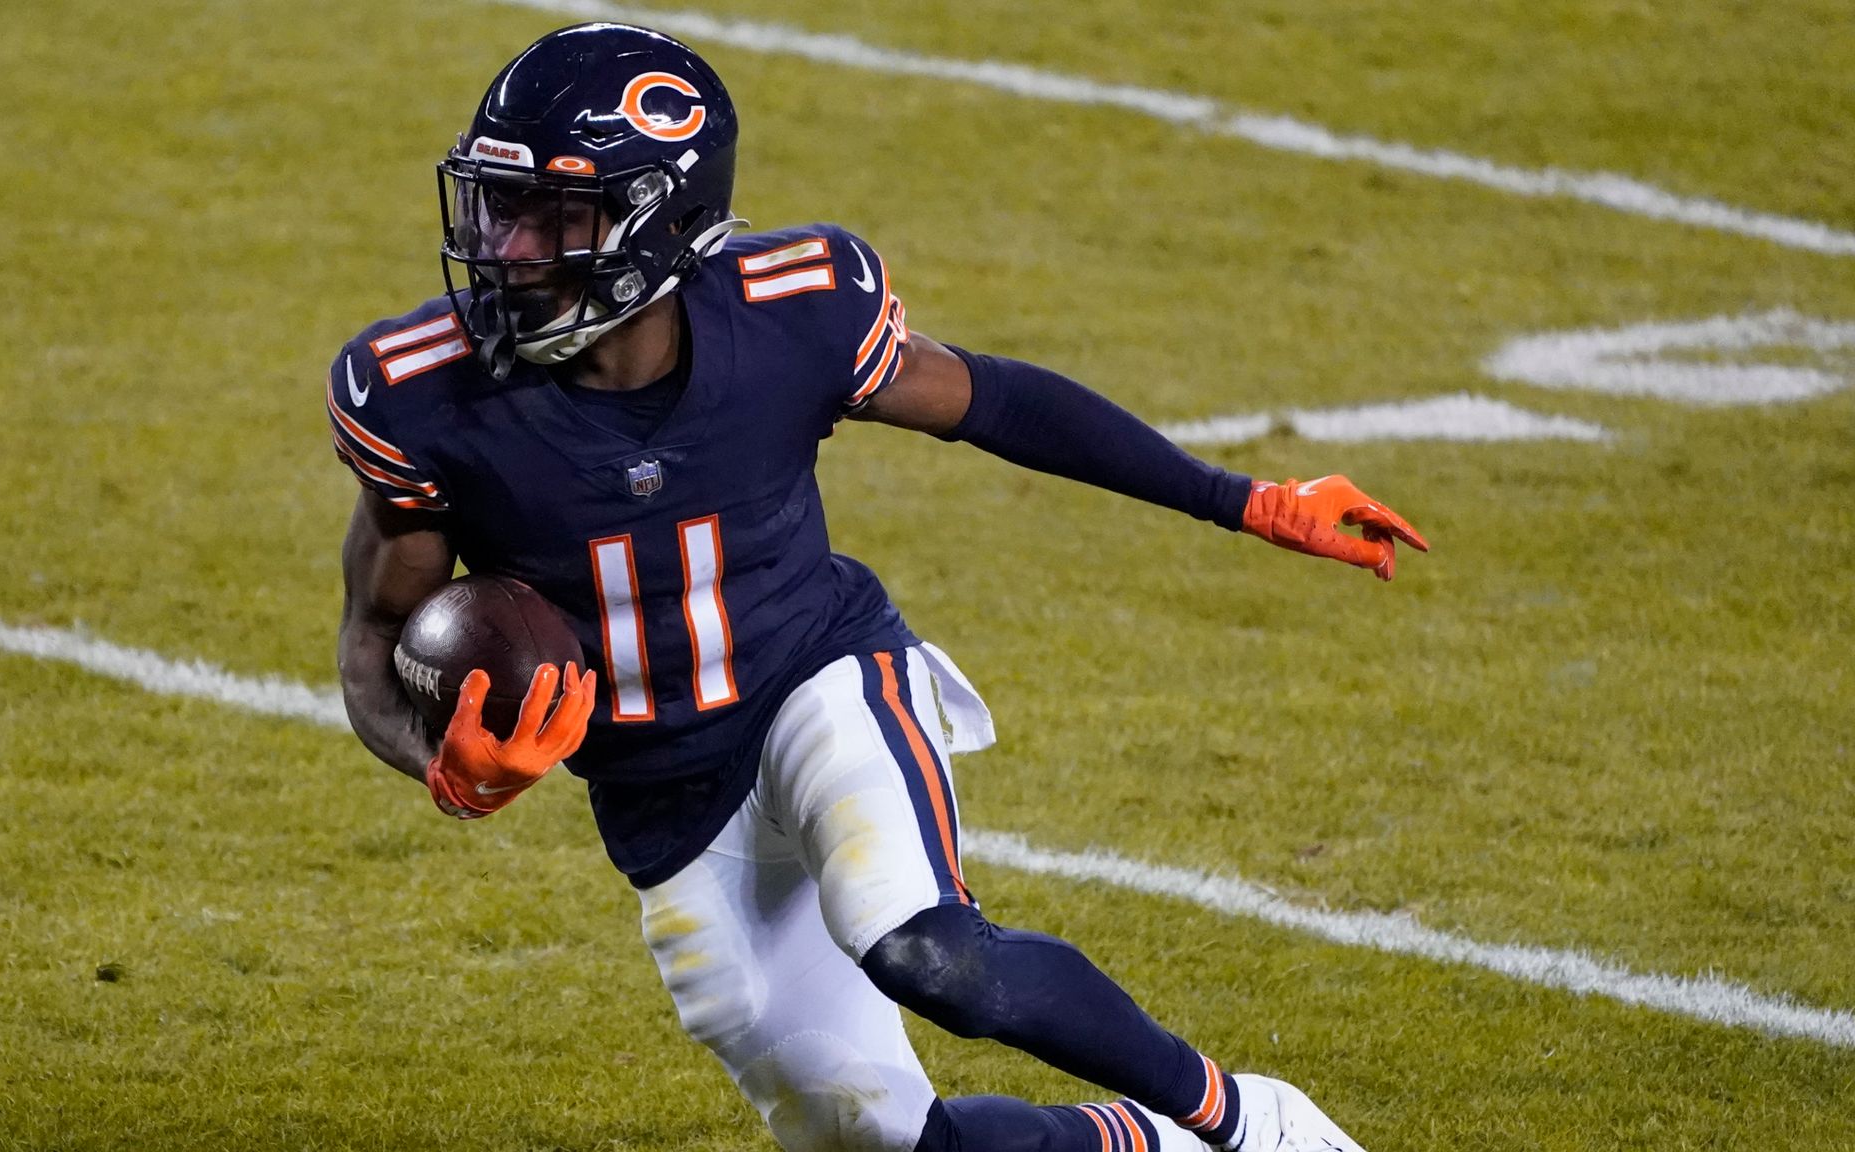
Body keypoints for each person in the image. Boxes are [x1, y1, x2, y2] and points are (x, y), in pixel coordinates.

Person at [330, 21, 1426, 1152]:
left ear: (663, 220)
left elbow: (994, 401)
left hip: (819, 677)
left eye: (554, 217)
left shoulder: (791, 314)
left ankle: (1254, 1125)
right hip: (663, 798)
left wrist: (1239, 497)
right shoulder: (417, 395)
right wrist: (438, 766)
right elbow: (373, 636)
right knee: (897, 1146)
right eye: (493, 209)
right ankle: (1151, 1144)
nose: (508, 249)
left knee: (924, 949)